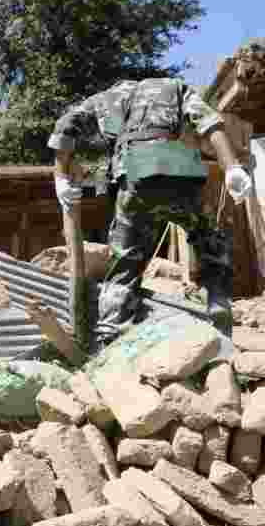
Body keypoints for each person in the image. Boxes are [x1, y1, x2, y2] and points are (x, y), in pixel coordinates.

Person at [48, 77, 252, 347]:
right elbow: (210, 123)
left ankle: (110, 335)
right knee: (208, 238)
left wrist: (61, 176)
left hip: (134, 174)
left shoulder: (104, 98)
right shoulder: (174, 87)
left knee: (126, 259)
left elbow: (66, 124)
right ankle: (217, 300)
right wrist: (231, 167)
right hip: (181, 171)